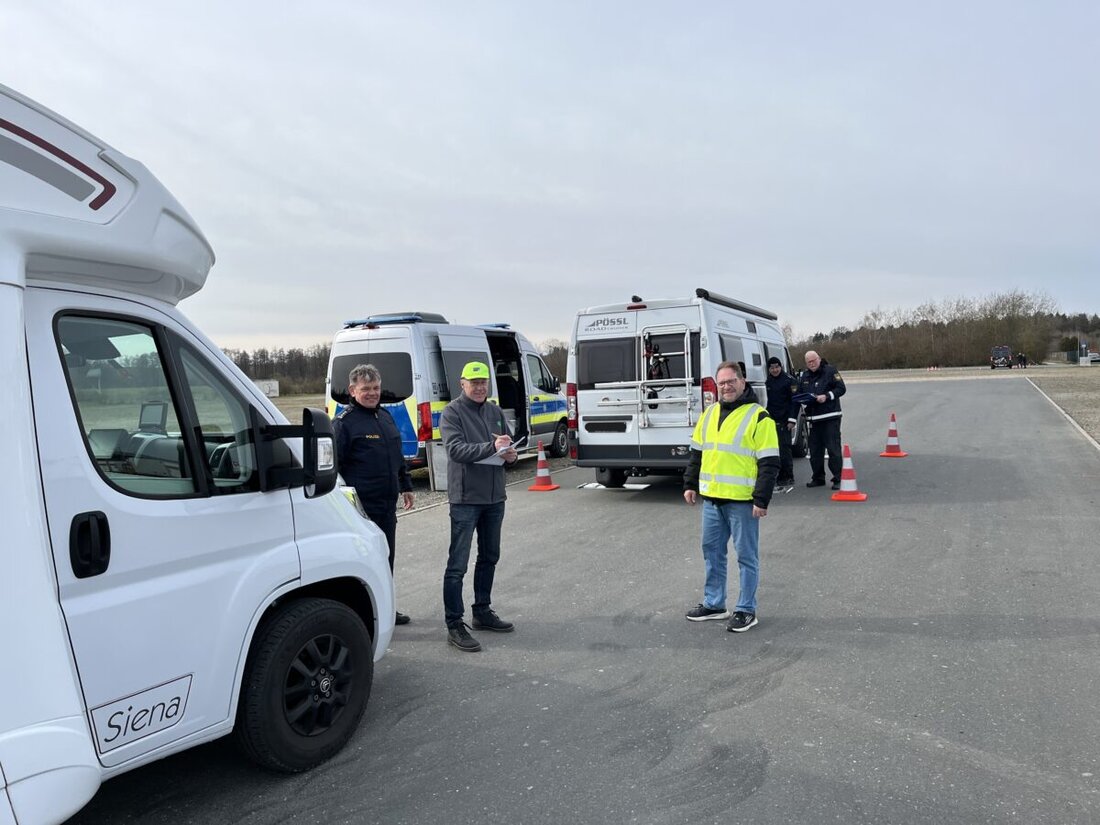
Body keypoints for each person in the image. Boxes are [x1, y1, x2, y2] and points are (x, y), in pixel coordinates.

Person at [683, 361, 778, 633]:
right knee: (712, 553)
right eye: (721, 382)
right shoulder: (710, 413)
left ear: (742, 382)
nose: (726, 386)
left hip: (742, 503)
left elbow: (770, 463)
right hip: (712, 500)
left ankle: (746, 610)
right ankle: (715, 604)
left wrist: (761, 499)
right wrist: (690, 484)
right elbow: (697, 453)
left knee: (746, 557)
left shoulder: (759, 417)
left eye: (731, 381)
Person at [440, 360, 519, 652]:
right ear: (462, 384)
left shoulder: (495, 410)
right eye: (473, 383)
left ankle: (482, 611)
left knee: (490, 557)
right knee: (457, 565)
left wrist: (510, 456)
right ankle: (454, 624)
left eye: (483, 382)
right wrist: (493, 447)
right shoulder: (452, 413)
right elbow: (455, 450)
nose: (479, 387)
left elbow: (507, 445)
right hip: (465, 500)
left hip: (494, 497)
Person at [334, 364, 415, 624]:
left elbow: (397, 456)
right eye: (366, 389)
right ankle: (363, 616)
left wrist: (406, 485)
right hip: (361, 509)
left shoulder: (386, 417)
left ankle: (386, 609)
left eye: (376, 388)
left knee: (386, 557)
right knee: (363, 563)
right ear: (352, 390)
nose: (372, 393)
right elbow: (334, 469)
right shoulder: (344, 424)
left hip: (386, 504)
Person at [797, 350, 846, 490]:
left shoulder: (830, 371)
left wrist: (827, 396)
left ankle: (838, 478)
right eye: (808, 362)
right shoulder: (805, 376)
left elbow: (841, 388)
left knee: (833, 449)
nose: (812, 364)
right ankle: (818, 477)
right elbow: (800, 392)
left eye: (814, 361)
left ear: (819, 359)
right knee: (815, 451)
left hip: (830, 416)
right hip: (813, 419)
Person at [764, 356, 798, 486]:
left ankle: (788, 476)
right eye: (772, 368)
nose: (774, 370)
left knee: (784, 449)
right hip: (770, 420)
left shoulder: (790, 381)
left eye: (777, 367)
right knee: (773, 450)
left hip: (785, 420)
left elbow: (795, 402)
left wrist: (792, 420)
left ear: (781, 367)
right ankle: (778, 475)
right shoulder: (767, 381)